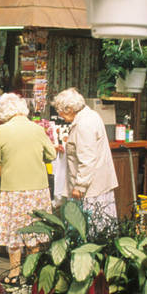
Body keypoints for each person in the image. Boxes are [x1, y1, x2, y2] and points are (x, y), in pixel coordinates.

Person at [0, 93, 55, 281]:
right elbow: (51, 155)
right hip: (38, 189)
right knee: (34, 230)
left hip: (13, 189)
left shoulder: (2, 131)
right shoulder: (38, 129)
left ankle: (14, 273)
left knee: (14, 232)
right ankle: (32, 272)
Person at [53, 87, 119, 224]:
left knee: (88, 225)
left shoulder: (84, 124)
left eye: (60, 112)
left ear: (69, 109)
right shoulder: (91, 115)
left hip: (90, 188)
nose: (60, 116)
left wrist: (79, 187)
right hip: (96, 184)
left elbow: (87, 160)